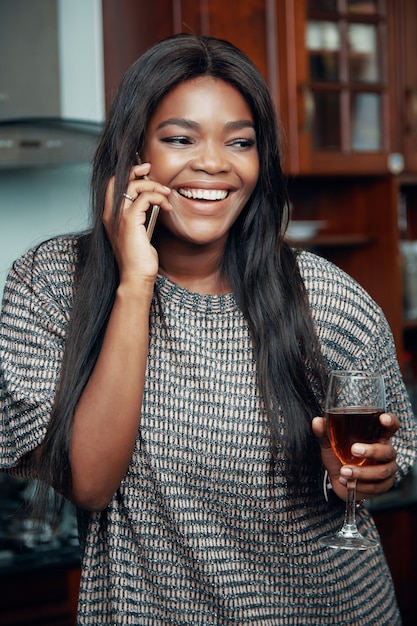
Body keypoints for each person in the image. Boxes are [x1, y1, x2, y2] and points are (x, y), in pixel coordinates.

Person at [0, 33, 416, 625]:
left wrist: (367, 474)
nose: (215, 163)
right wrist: (135, 283)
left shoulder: (325, 296)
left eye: (240, 142)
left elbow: (388, 454)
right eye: (179, 138)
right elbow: (89, 483)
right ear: (133, 151)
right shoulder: (50, 283)